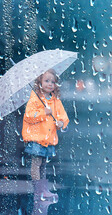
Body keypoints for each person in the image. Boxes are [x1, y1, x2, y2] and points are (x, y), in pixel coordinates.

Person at [22, 69, 69, 201]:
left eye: (52, 82)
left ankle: (43, 189)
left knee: (43, 164)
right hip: (36, 138)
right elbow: (29, 116)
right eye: (46, 81)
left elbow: (63, 116)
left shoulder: (55, 101)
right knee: (36, 164)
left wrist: (61, 123)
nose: (50, 84)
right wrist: (44, 112)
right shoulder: (35, 98)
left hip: (48, 140)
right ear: (39, 83)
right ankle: (38, 191)